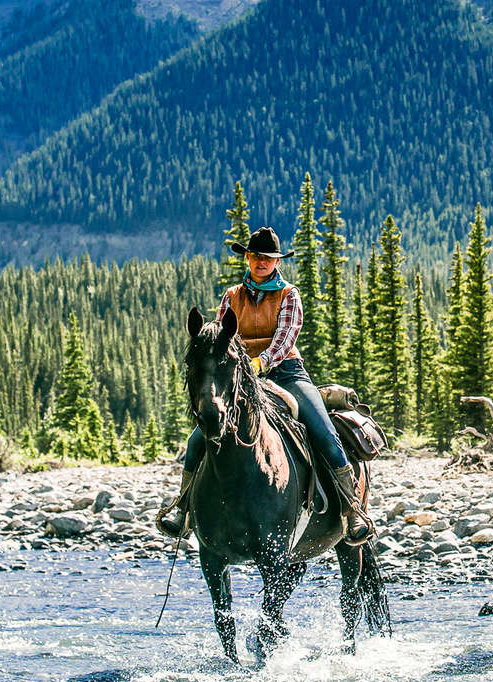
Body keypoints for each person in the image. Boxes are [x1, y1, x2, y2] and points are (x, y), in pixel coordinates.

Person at [158, 226, 375, 544]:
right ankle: (184, 510)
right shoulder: (232, 296)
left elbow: (286, 337)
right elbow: (221, 338)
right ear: (248, 257)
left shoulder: (289, 294)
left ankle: (351, 510)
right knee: (198, 439)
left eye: (268, 258)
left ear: (276, 261)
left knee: (324, 431)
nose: (262, 262)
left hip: (287, 372)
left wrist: (262, 362)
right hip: (242, 377)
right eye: (257, 256)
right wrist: (240, 369)